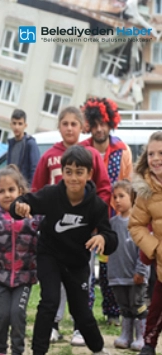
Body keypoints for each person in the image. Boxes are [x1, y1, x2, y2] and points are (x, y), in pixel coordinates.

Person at [12, 145, 117, 355]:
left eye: (79, 172)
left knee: (81, 311)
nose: (73, 178)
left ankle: (99, 351)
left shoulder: (96, 206)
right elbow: (21, 203)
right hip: (49, 255)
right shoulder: (51, 195)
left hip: (77, 262)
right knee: (49, 301)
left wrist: (102, 238)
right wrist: (20, 207)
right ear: (62, 172)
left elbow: (111, 237)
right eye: (68, 171)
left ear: (89, 174)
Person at [31, 106, 112, 346]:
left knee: (81, 279)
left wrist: (97, 221)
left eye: (73, 124)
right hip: (55, 231)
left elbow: (104, 189)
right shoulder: (48, 156)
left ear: (82, 127)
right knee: (53, 283)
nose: (69, 128)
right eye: (64, 123)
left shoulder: (92, 155)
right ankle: (54, 324)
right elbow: (37, 190)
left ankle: (79, 326)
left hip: (82, 232)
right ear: (59, 127)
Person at [80, 97, 131, 326]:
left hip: (113, 218)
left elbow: (128, 185)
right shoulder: (82, 151)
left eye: (104, 123)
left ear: (111, 123)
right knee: (86, 267)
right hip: (88, 219)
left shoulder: (122, 150)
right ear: (90, 124)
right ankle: (84, 311)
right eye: (95, 123)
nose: (100, 128)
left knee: (110, 265)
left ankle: (112, 312)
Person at [0, 165, 39, 355]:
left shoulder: (32, 216)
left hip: (24, 278)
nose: (7, 195)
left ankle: (17, 353)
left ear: (21, 191)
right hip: (0, 277)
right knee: (1, 315)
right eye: (1, 191)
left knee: (17, 314)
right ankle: (0, 351)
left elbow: (46, 234)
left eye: (11, 190)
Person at [129, 131, 162, 355]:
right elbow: (136, 225)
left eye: (161, 153)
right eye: (151, 153)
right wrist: (155, 248)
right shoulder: (145, 190)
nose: (156, 158)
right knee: (157, 307)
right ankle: (148, 346)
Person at [108, 179, 149, 351]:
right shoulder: (112, 223)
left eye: (121, 196)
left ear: (132, 197)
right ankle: (126, 335)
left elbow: (145, 248)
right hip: (118, 275)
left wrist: (141, 270)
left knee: (137, 303)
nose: (117, 200)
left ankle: (142, 336)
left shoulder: (139, 222)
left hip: (136, 276)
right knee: (124, 306)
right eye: (114, 196)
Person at [6, 109, 39, 185]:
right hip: (12, 187)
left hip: (24, 189)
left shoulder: (30, 143)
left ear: (25, 125)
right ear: (10, 125)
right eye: (14, 123)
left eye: (20, 124)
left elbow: (35, 169)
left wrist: (29, 191)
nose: (16, 127)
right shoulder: (11, 144)